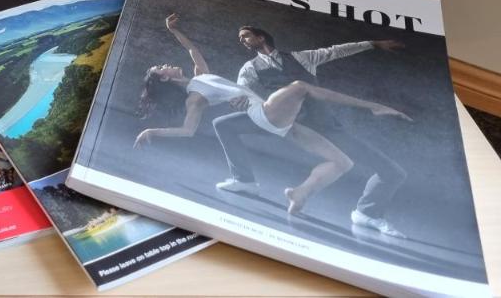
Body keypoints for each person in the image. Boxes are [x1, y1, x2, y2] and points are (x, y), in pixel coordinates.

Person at [134, 14, 409, 215]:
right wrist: (151, 131)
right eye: (161, 68)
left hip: (282, 120)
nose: (165, 64)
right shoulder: (196, 97)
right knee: (300, 86)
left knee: (343, 162)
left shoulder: (200, 75)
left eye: (245, 36)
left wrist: (174, 30)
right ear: (165, 79)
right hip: (263, 113)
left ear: (261, 36)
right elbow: (188, 130)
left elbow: (192, 50)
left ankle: (300, 193)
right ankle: (372, 106)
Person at [212, 24, 410, 235]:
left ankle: (366, 212)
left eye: (245, 36)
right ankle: (244, 181)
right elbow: (240, 91)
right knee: (223, 124)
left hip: (322, 125)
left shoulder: (302, 58)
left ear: (261, 37)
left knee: (391, 172)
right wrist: (238, 100)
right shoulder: (249, 68)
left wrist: (372, 44)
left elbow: (336, 51)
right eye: (240, 38)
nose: (241, 40)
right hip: (284, 122)